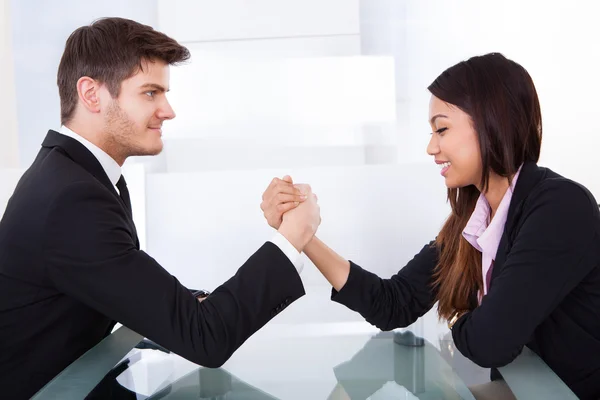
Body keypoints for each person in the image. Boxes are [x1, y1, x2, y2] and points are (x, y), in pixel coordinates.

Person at [0, 17, 320, 399]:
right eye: (150, 93)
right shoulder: (72, 198)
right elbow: (206, 339)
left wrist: (194, 305)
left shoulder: (79, 175)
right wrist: (291, 238)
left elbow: (119, 281)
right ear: (91, 94)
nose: (168, 110)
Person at [261, 53, 600, 400]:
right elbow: (393, 302)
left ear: (490, 123)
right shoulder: (473, 221)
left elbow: (491, 343)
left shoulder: (560, 207)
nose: (431, 147)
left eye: (442, 129)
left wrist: (455, 320)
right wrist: (303, 236)